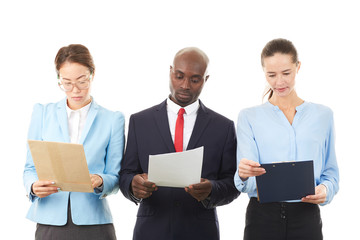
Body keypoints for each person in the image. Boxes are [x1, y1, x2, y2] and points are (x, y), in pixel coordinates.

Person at [119, 47, 239, 240]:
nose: (185, 85)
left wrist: (211, 190)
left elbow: (233, 182)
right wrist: (133, 186)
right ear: (170, 72)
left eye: (195, 79)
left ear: (205, 80)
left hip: (200, 232)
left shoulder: (223, 127)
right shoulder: (140, 122)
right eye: (179, 76)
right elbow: (125, 173)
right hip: (150, 231)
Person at [234, 38, 339, 240]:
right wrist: (244, 174)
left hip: (306, 217)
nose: (279, 82)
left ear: (298, 67)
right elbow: (245, 181)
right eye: (271, 75)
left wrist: (326, 189)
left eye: (286, 73)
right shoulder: (248, 117)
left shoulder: (323, 115)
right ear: (263, 72)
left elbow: (331, 172)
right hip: (262, 217)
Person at [23, 44, 125, 240]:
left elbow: (115, 175)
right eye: (67, 83)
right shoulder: (42, 113)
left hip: (94, 222)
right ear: (58, 79)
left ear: (92, 75)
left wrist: (101, 180)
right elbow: (29, 168)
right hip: (50, 220)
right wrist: (33, 186)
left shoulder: (113, 119)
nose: (75, 90)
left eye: (82, 81)